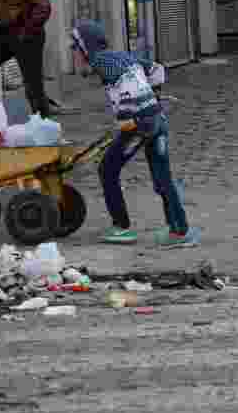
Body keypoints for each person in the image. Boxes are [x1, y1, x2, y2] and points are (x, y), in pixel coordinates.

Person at [70, 19, 198, 248]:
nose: (72, 53)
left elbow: (124, 84)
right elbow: (157, 70)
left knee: (107, 168)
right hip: (157, 120)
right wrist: (153, 96)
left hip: (140, 125)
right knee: (163, 178)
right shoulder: (122, 56)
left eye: (74, 47)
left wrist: (128, 114)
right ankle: (180, 231)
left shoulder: (102, 61)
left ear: (85, 48)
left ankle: (122, 227)